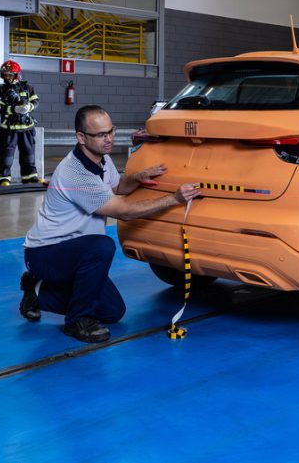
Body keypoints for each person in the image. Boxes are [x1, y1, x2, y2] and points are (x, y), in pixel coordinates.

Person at [19, 105, 200, 343]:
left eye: (111, 131)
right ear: (81, 137)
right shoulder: (75, 173)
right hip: (46, 253)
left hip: (77, 251)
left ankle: (37, 291)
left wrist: (137, 178)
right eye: (101, 135)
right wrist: (174, 199)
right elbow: (123, 212)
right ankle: (77, 321)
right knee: (102, 246)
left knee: (112, 312)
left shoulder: (101, 159)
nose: (109, 139)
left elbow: (117, 187)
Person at [0, 60, 40, 186]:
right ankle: (4, 178)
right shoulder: (0, 90)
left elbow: (36, 102)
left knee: (28, 153)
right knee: (5, 155)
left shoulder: (28, 88)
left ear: (16, 75)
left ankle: (30, 177)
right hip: (8, 129)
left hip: (26, 128)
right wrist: (14, 109)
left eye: (10, 75)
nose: (7, 77)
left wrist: (29, 107)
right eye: (5, 75)